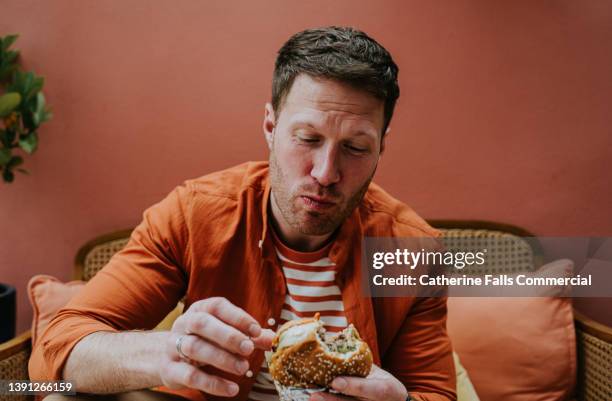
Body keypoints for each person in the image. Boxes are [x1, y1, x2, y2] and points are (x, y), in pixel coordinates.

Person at [30, 26, 456, 401]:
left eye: (356, 147)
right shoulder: (194, 214)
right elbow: (56, 349)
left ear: (382, 146)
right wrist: (165, 351)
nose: (326, 173)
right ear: (270, 127)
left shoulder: (412, 250)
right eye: (307, 138)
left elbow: (436, 392)